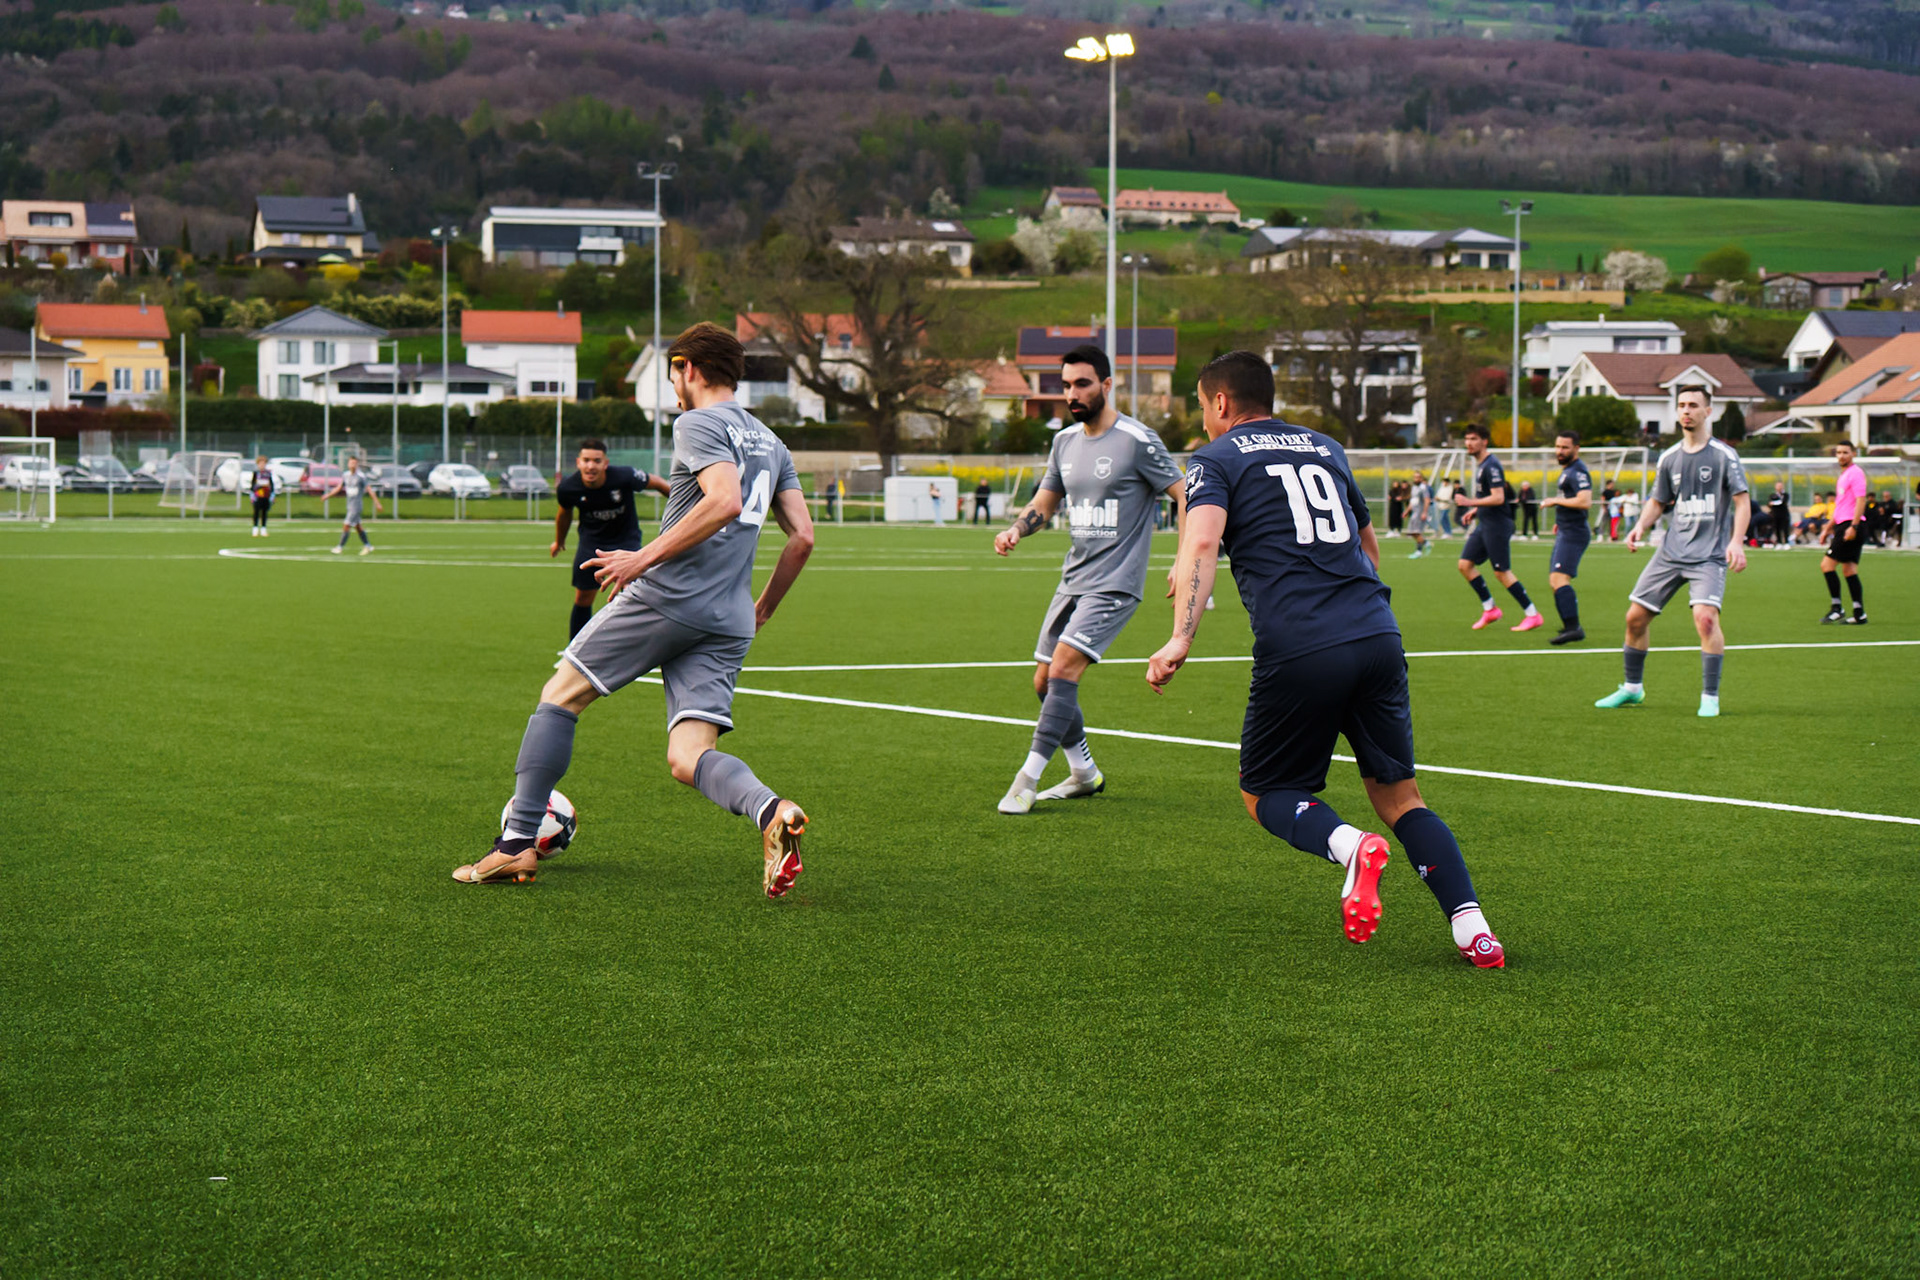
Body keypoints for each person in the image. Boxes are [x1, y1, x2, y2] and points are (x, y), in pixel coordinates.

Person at [1145, 351, 1503, 968]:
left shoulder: (1214, 457)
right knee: (1401, 798)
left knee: (1265, 791)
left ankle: (1348, 846)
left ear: (1221, 404)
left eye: (1203, 406)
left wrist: (1182, 637)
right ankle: (1474, 930)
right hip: (1376, 634)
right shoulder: (1326, 447)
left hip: (1300, 645)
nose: (1203, 418)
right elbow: (1368, 547)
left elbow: (1202, 538)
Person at [453, 322, 815, 895]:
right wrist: (762, 608)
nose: (674, 386)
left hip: (669, 597)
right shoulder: (772, 443)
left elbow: (721, 500)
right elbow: (803, 539)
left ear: (688, 368)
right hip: (728, 617)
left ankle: (515, 844)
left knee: (560, 696)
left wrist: (640, 559)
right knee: (688, 755)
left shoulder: (698, 422)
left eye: (673, 373)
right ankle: (772, 811)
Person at [992, 343, 1186, 814]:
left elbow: (1186, 495)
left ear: (1106, 383)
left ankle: (1026, 780)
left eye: (1082, 383)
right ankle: (1084, 773)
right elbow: (1045, 500)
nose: (1072, 394)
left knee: (1062, 670)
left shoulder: (1138, 440)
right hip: (1072, 581)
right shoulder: (1064, 442)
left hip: (1116, 583)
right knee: (1043, 682)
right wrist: (1018, 529)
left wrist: (1184, 558)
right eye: (1066, 386)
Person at [1595, 385, 1749, 718]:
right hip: (1670, 552)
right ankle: (1632, 689)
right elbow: (1658, 501)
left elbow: (1742, 500)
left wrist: (1736, 541)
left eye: (1694, 405)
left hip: (1708, 555)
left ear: (1709, 411)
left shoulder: (1724, 456)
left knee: (1705, 619)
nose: (1686, 411)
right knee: (1634, 618)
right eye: (1681, 405)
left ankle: (1710, 697)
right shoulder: (1669, 458)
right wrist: (1641, 527)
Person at [552, 439, 670, 640]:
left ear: (605, 463)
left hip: (626, 541)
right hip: (592, 543)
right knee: (583, 597)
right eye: (586, 460)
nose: (591, 466)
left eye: (596, 461)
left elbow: (657, 482)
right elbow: (564, 514)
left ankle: (633, 646)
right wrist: (559, 541)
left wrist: (686, 505)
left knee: (632, 593)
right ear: (578, 462)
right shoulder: (568, 487)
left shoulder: (624, 476)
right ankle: (574, 651)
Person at [1454, 423, 1542, 632]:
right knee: (1465, 565)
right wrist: (1475, 510)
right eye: (1467, 439)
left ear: (1484, 441)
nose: (1469, 443)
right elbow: (1489, 497)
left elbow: (1498, 497)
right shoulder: (1482, 465)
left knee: (1501, 572)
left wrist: (1469, 502)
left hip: (1498, 525)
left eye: (1474, 439)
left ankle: (1532, 614)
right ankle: (1490, 609)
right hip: (1485, 523)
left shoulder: (1491, 466)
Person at [1539, 429, 1593, 644]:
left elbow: (1584, 501)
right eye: (1558, 446)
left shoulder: (1578, 471)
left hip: (1575, 533)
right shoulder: (1567, 470)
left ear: (1576, 449)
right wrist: (1559, 521)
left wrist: (1555, 501)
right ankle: (1568, 626)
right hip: (1565, 530)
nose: (1559, 451)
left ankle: (1574, 628)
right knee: (1555, 580)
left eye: (1565, 447)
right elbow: (1571, 500)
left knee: (1559, 579)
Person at [1820, 442, 1869, 625]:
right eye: (1838, 452)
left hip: (1851, 525)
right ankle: (1859, 613)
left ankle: (1836, 608)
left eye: (1845, 452)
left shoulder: (1855, 473)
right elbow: (1841, 506)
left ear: (1853, 454)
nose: (1841, 456)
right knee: (1849, 570)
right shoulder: (1844, 475)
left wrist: (1853, 526)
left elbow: (1860, 500)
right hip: (1844, 524)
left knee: (1826, 565)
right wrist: (1827, 527)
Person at [321, 454, 382, 555]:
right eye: (350, 462)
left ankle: (339, 547)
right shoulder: (346, 475)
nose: (352, 464)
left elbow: (369, 490)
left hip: (356, 506)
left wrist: (377, 503)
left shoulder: (361, 476)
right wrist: (328, 495)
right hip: (349, 505)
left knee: (346, 525)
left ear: (357, 464)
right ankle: (368, 546)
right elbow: (339, 487)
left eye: (354, 463)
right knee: (358, 527)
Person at [246, 454, 277, 537]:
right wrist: (256, 489)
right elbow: (252, 485)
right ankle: (255, 529)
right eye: (260, 463)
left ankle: (263, 529)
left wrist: (272, 495)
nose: (262, 465)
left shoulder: (268, 473)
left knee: (264, 512)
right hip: (257, 496)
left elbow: (272, 485)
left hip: (266, 496)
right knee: (256, 512)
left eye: (263, 463)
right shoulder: (256, 473)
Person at [1406, 469, 1434, 558]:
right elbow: (1413, 501)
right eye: (1415, 477)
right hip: (1414, 512)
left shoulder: (1423, 487)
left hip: (1419, 513)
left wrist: (1424, 512)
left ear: (1421, 478)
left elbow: (1427, 500)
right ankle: (1425, 544)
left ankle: (1420, 550)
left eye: (1418, 477)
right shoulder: (1414, 487)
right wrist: (1407, 511)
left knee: (1416, 532)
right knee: (1412, 532)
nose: (1416, 479)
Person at [1766, 482, 1792, 548]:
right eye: (1778, 486)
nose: (1779, 487)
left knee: (1785, 528)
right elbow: (1769, 504)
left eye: (1780, 486)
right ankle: (1779, 542)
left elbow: (1783, 503)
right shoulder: (1772, 495)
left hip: (1784, 514)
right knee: (1777, 528)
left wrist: (1774, 503)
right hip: (1775, 514)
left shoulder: (1785, 495)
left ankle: (1786, 542)